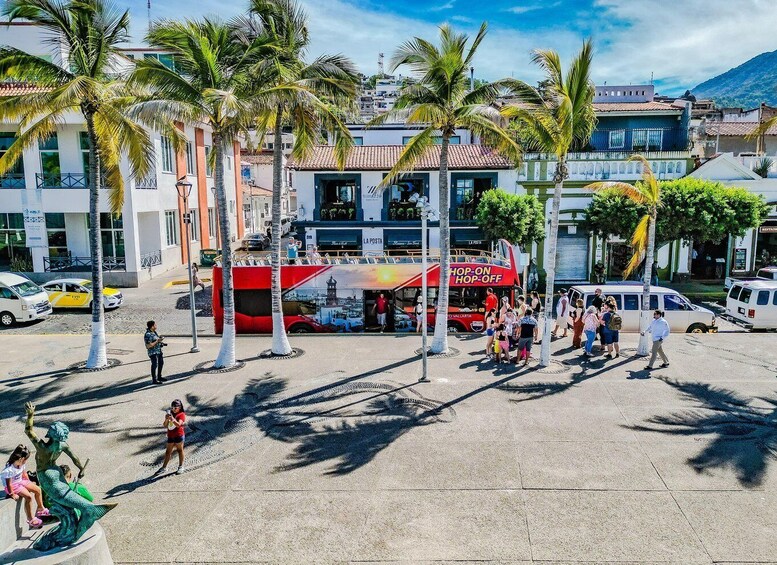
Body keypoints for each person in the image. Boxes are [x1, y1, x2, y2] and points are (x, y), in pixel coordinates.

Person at [2, 444, 49, 529]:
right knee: (28, 497)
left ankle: (40, 508)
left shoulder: (21, 464)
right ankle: (30, 519)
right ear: (21, 459)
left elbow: (24, 474)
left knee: (38, 489)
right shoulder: (9, 470)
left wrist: (29, 483)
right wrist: (12, 494)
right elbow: (9, 484)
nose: (26, 461)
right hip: (13, 485)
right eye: (25, 460)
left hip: (21, 481)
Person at [157, 399, 186, 475]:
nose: (173, 409)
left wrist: (172, 419)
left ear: (179, 407)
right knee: (168, 452)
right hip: (170, 436)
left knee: (180, 450)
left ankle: (181, 467)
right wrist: (167, 419)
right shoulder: (171, 413)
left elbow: (178, 425)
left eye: (175, 408)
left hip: (179, 435)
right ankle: (164, 467)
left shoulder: (181, 414)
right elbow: (165, 425)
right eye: (172, 407)